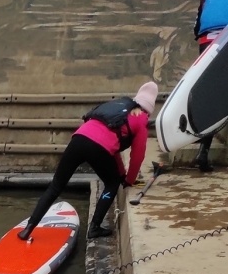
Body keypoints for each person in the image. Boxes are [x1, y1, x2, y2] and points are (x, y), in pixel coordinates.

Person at [18, 81, 159, 241]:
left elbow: (113, 147)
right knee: (112, 184)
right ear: (150, 108)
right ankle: (95, 228)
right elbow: (137, 156)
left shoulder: (117, 109)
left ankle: (28, 229)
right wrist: (128, 180)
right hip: (98, 148)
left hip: (78, 139)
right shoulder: (141, 121)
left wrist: (121, 173)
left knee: (56, 186)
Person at [192, 0, 228, 170]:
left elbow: (196, 26)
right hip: (226, 39)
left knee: (209, 94)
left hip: (206, 42)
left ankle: (203, 150)